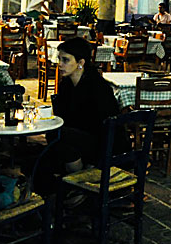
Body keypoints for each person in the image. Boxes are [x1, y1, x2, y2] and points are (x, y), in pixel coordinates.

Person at [41, 37, 124, 195]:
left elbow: (107, 125)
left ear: (81, 62)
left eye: (65, 60)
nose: (60, 64)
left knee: (56, 134)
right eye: (59, 59)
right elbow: (63, 117)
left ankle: (78, 185)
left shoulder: (97, 86)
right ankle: (77, 186)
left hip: (104, 142)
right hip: (78, 139)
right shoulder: (66, 84)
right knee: (58, 145)